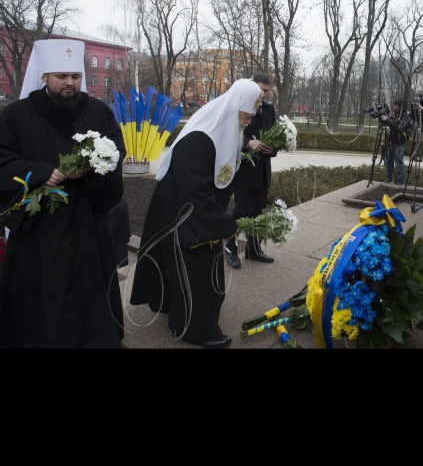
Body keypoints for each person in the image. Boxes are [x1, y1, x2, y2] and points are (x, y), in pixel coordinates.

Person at [0, 40, 126, 348]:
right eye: (61, 76)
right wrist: (42, 173)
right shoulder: (16, 114)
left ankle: (95, 337)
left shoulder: (98, 111)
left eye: (75, 76)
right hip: (39, 225)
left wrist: (92, 170)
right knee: (41, 288)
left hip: (85, 216)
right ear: (44, 76)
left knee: (88, 283)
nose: (70, 83)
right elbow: (3, 158)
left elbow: (114, 153)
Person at [130, 79, 262, 349]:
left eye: (251, 117)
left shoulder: (224, 127)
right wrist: (225, 223)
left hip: (192, 208)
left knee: (185, 267)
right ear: (234, 108)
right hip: (184, 210)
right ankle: (195, 328)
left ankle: (173, 305)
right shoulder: (201, 137)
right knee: (196, 268)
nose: (248, 121)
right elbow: (196, 194)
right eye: (246, 116)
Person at [225, 74, 277, 269]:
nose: (263, 94)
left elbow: (275, 135)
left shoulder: (270, 109)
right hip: (243, 170)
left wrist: (273, 149)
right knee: (240, 213)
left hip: (262, 171)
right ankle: (230, 247)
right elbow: (229, 134)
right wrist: (248, 143)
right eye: (260, 90)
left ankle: (253, 249)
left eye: (266, 91)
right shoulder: (239, 107)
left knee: (258, 213)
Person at [381, 99, 413, 185]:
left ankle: (400, 182)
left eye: (396, 106)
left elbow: (399, 127)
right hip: (391, 141)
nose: (395, 107)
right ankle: (389, 179)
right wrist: (384, 118)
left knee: (399, 163)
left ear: (401, 107)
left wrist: (387, 120)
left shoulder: (406, 116)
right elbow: (390, 123)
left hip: (399, 143)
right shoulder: (395, 115)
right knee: (389, 161)